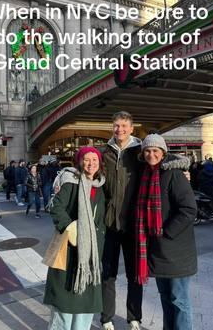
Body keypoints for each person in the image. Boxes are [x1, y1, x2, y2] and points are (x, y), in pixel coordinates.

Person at [135, 134, 197, 330]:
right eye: (147, 150)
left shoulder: (175, 174)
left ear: (163, 153)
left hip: (176, 250)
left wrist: (166, 233)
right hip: (157, 250)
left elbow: (188, 209)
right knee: (165, 298)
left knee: (179, 300)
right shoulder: (144, 174)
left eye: (155, 150)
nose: (151, 154)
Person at [44, 146, 106, 330]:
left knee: (86, 304)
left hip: (91, 253)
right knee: (64, 302)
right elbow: (56, 207)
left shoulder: (100, 185)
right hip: (70, 250)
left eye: (95, 160)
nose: (91, 164)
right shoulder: (71, 182)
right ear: (79, 162)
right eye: (86, 159)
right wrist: (71, 228)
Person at [101, 111, 143, 330]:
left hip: (133, 223)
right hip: (110, 222)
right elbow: (88, 171)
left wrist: (182, 170)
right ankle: (107, 317)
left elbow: (162, 162)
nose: (120, 130)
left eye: (124, 126)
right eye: (116, 125)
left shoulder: (140, 151)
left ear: (131, 128)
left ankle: (134, 316)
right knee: (108, 274)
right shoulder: (105, 152)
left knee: (134, 273)